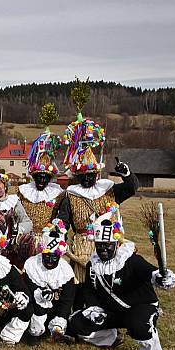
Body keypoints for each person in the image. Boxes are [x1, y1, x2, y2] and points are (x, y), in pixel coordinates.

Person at [66, 210, 175, 350]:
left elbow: (149, 272)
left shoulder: (131, 260)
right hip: (112, 311)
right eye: (99, 245)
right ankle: (110, 337)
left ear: (116, 244)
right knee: (77, 322)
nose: (103, 249)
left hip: (139, 307)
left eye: (108, 245)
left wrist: (160, 276)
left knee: (137, 325)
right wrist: (93, 308)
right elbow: (89, 290)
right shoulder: (93, 264)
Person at [58, 112, 138, 282]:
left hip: (110, 244)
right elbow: (64, 222)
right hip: (82, 248)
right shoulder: (71, 195)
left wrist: (127, 174)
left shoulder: (109, 190)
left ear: (97, 174)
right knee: (83, 286)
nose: (87, 178)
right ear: (77, 176)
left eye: (91, 175)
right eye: (83, 175)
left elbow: (131, 188)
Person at [22, 219, 76, 345]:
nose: (50, 261)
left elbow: (67, 300)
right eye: (47, 257)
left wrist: (60, 318)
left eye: (54, 257)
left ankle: (56, 331)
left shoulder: (65, 271)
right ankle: (34, 333)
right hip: (36, 308)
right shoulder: (32, 265)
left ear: (60, 256)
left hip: (55, 309)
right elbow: (27, 291)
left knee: (62, 317)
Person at [18, 129, 65, 243]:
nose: (41, 180)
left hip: (47, 239)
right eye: (39, 177)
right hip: (25, 239)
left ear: (49, 179)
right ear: (34, 177)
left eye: (45, 178)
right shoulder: (23, 191)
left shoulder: (57, 194)